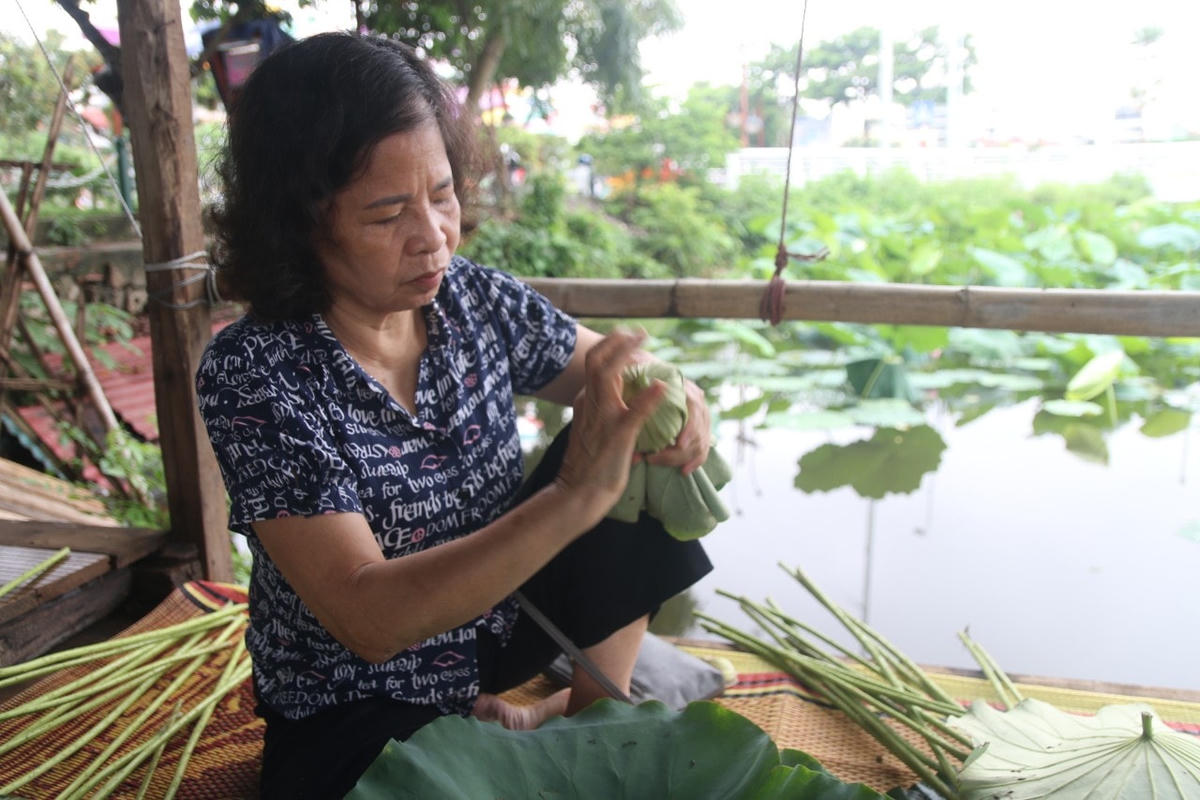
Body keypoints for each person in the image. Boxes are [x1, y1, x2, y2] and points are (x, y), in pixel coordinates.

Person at [196, 32, 714, 798]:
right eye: (386, 216)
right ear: (301, 225)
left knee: (631, 426)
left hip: (494, 634)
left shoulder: (472, 299)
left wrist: (674, 393)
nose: (434, 236)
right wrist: (573, 497)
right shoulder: (257, 372)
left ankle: (591, 721)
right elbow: (367, 619)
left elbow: (616, 371)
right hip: (356, 700)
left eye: (441, 196)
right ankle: (509, 732)